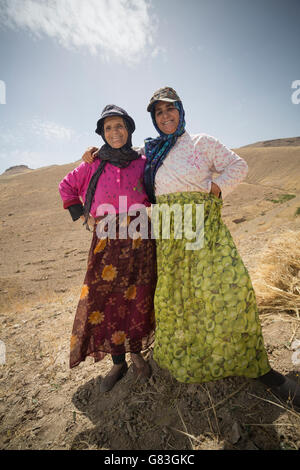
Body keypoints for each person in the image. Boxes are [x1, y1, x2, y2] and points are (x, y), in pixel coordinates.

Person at [82, 88, 300, 408]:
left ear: (181, 111)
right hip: (169, 231)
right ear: (153, 120)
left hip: (202, 226)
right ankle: (194, 353)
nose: (165, 116)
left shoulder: (203, 143)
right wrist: (94, 153)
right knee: (177, 297)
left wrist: (215, 188)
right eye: (158, 113)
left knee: (230, 289)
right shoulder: (149, 152)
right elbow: (121, 160)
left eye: (170, 110)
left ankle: (259, 368)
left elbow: (237, 166)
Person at [59, 105, 156, 393]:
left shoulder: (142, 160)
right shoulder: (93, 162)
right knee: (108, 300)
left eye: (120, 126)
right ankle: (117, 362)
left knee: (139, 294)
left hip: (140, 238)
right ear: (102, 133)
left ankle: (136, 352)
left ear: (129, 130)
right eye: (109, 127)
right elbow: (66, 187)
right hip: (107, 242)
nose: (115, 132)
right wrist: (84, 216)